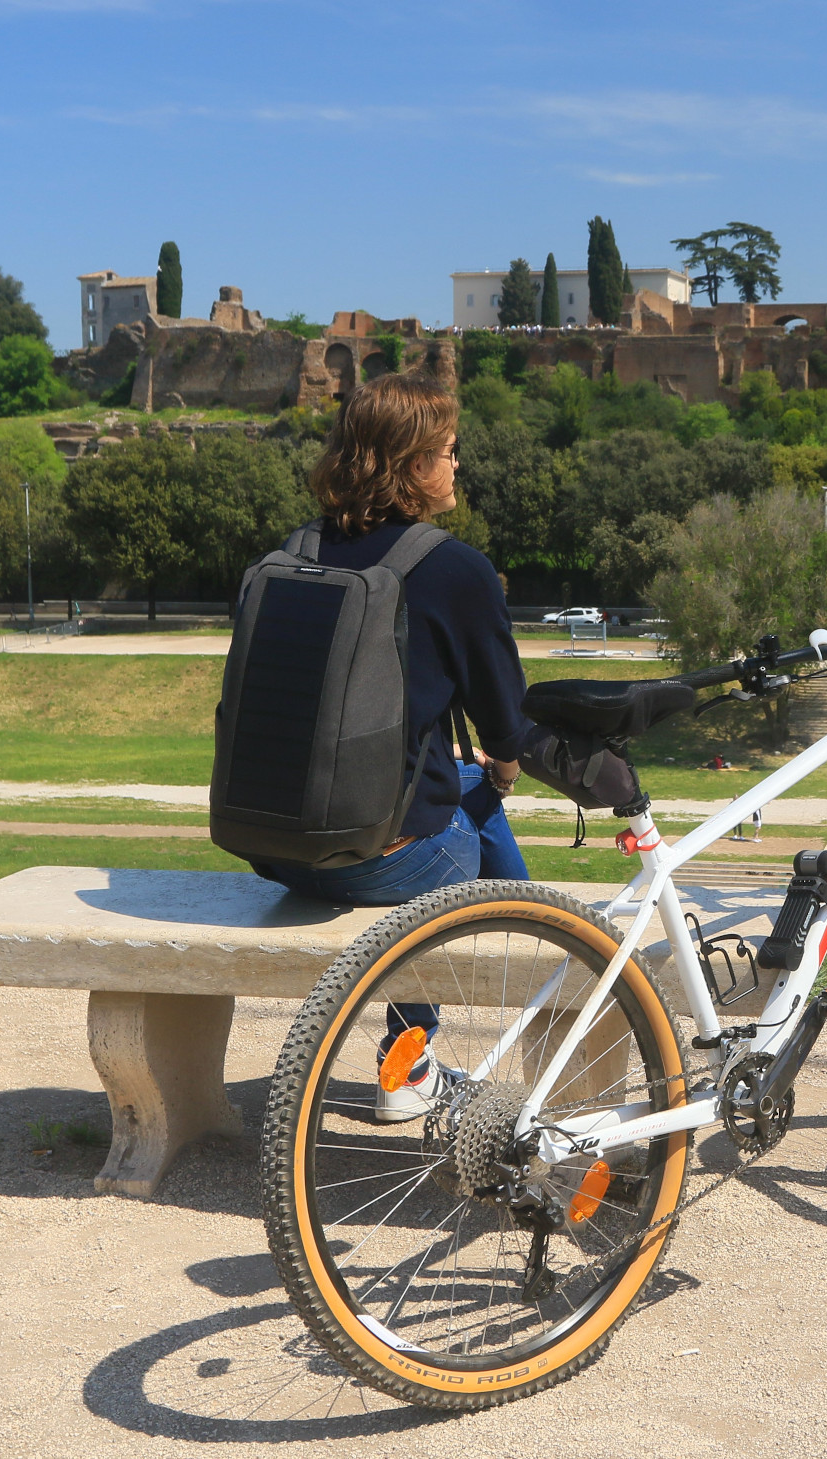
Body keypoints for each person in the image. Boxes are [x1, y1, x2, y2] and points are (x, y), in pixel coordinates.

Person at [250, 372, 533, 1122]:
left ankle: (541, 949)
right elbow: (506, 725)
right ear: (412, 466)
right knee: (476, 807)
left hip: (274, 843)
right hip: (384, 860)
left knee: (464, 799)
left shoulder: (295, 549)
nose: (456, 465)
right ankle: (416, 1059)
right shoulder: (455, 569)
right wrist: (500, 773)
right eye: (447, 451)